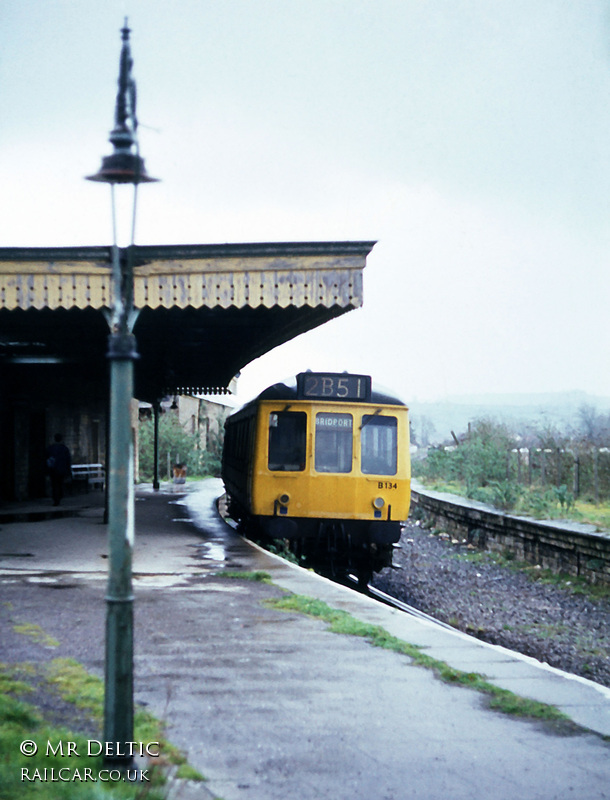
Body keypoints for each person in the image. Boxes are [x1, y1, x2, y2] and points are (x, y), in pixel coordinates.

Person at [46, 434, 72, 506]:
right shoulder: (64, 449)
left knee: (54, 485)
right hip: (62, 469)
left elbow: (47, 459)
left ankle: (56, 499)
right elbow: (68, 460)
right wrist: (68, 471)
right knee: (60, 484)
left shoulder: (50, 448)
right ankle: (59, 496)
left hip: (53, 470)